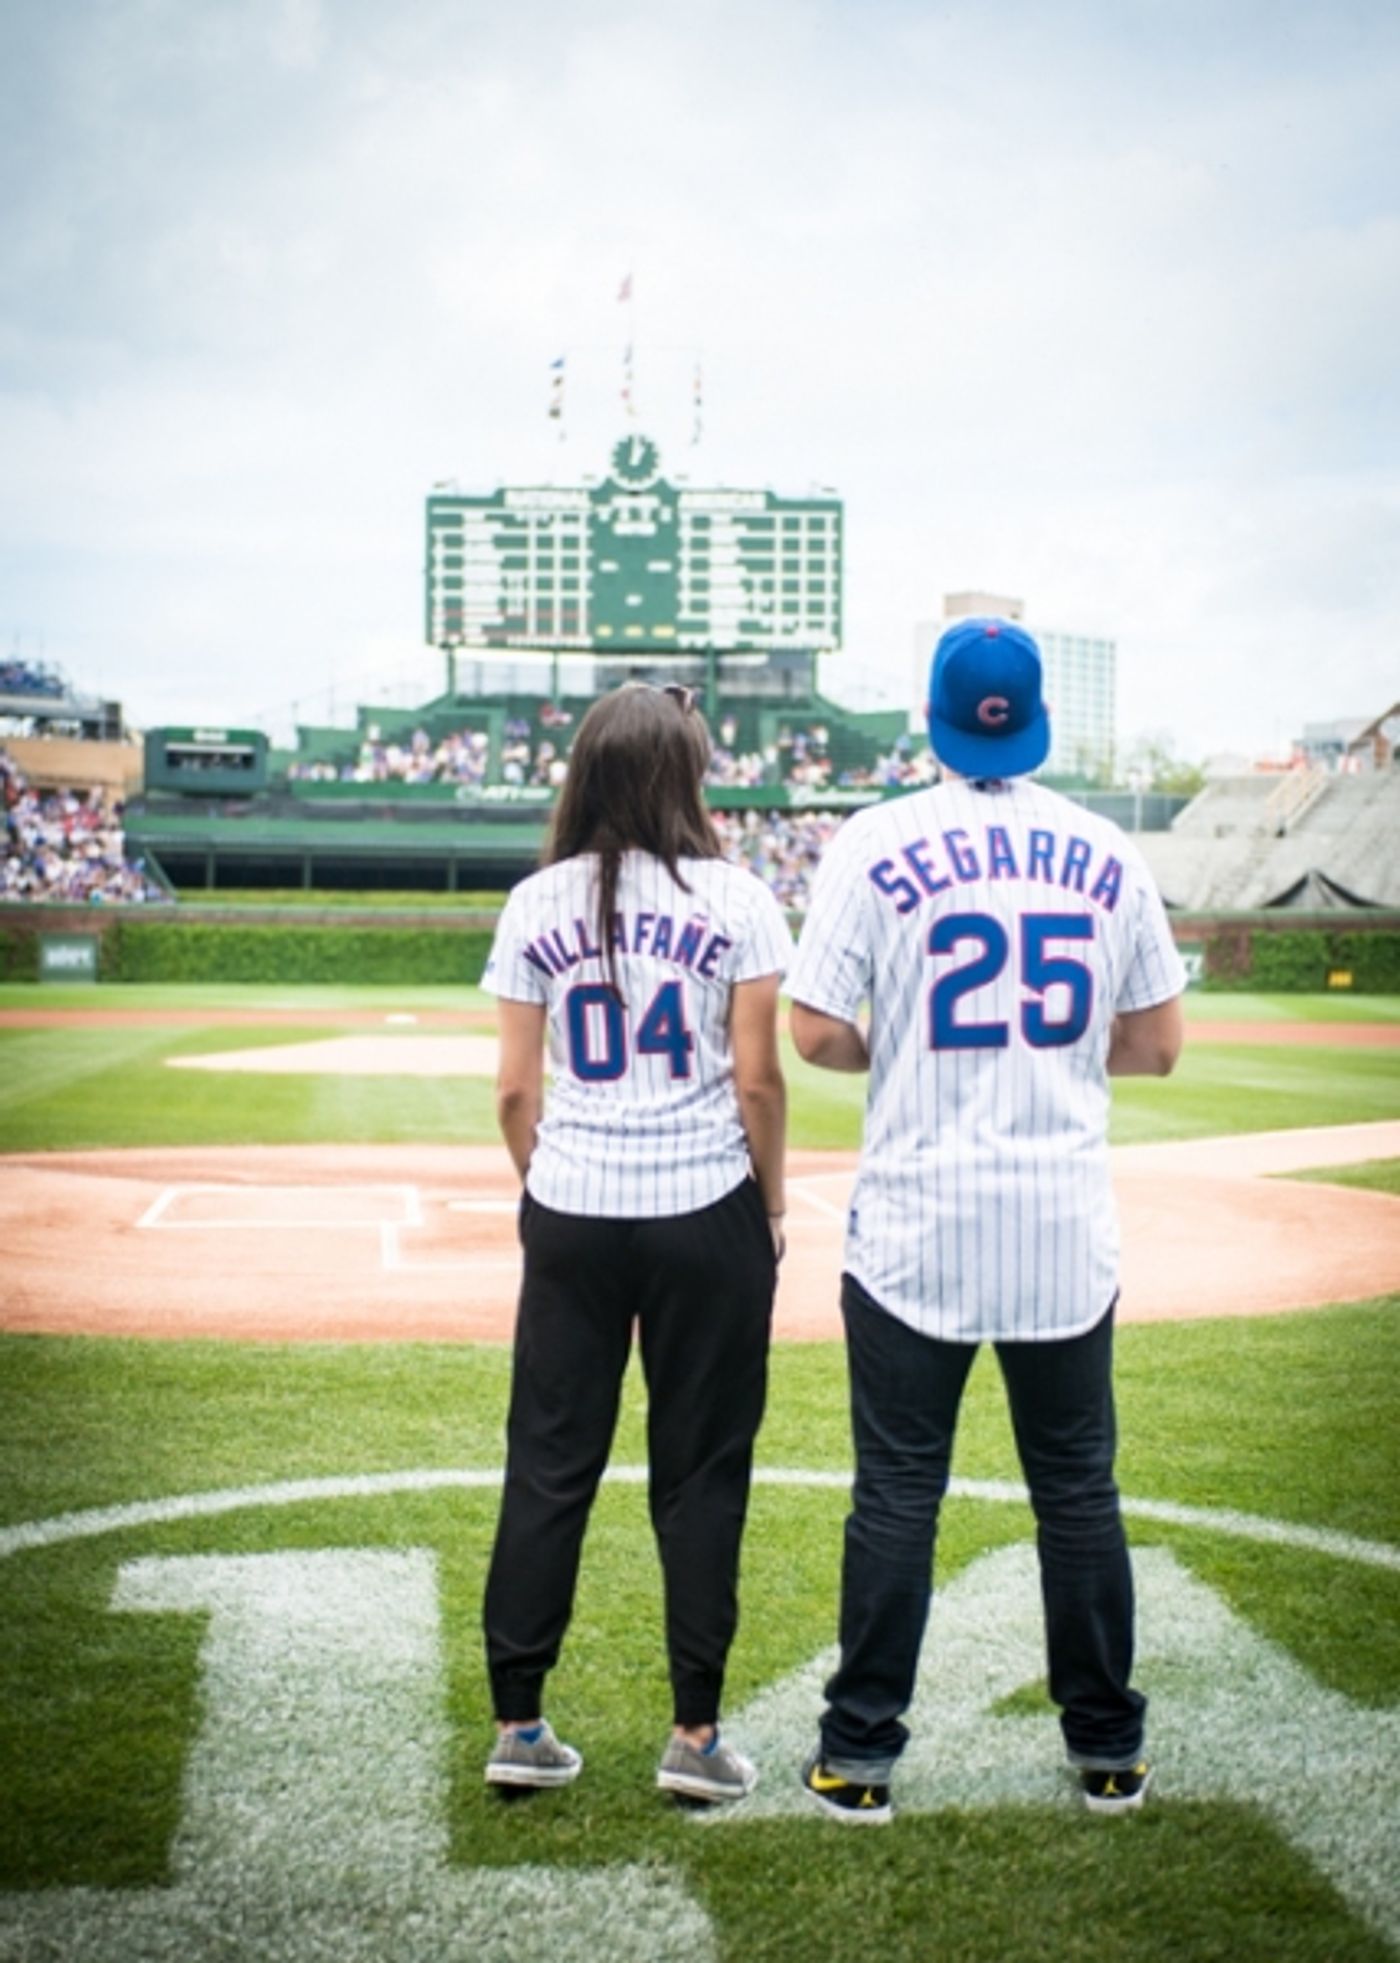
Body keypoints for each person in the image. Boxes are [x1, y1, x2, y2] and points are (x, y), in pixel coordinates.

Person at [786, 617, 1185, 1824]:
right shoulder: (1105, 847)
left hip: (916, 1224)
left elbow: (808, 1028)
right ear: (1038, 718)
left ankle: (859, 1755)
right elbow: (1158, 1044)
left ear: (938, 720)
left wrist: (900, 1045)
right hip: (1062, 1227)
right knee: (1077, 1492)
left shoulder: (873, 839)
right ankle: (1105, 1748)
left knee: (897, 1493)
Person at [478, 679, 791, 1804]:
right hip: (704, 1203)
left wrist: (548, 1186)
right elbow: (757, 1080)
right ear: (684, 774)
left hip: (572, 1204)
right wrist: (769, 1206)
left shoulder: (533, 902)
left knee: (548, 1464)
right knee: (700, 1472)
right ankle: (694, 1738)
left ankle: (519, 1723)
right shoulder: (740, 897)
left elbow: (515, 1092)